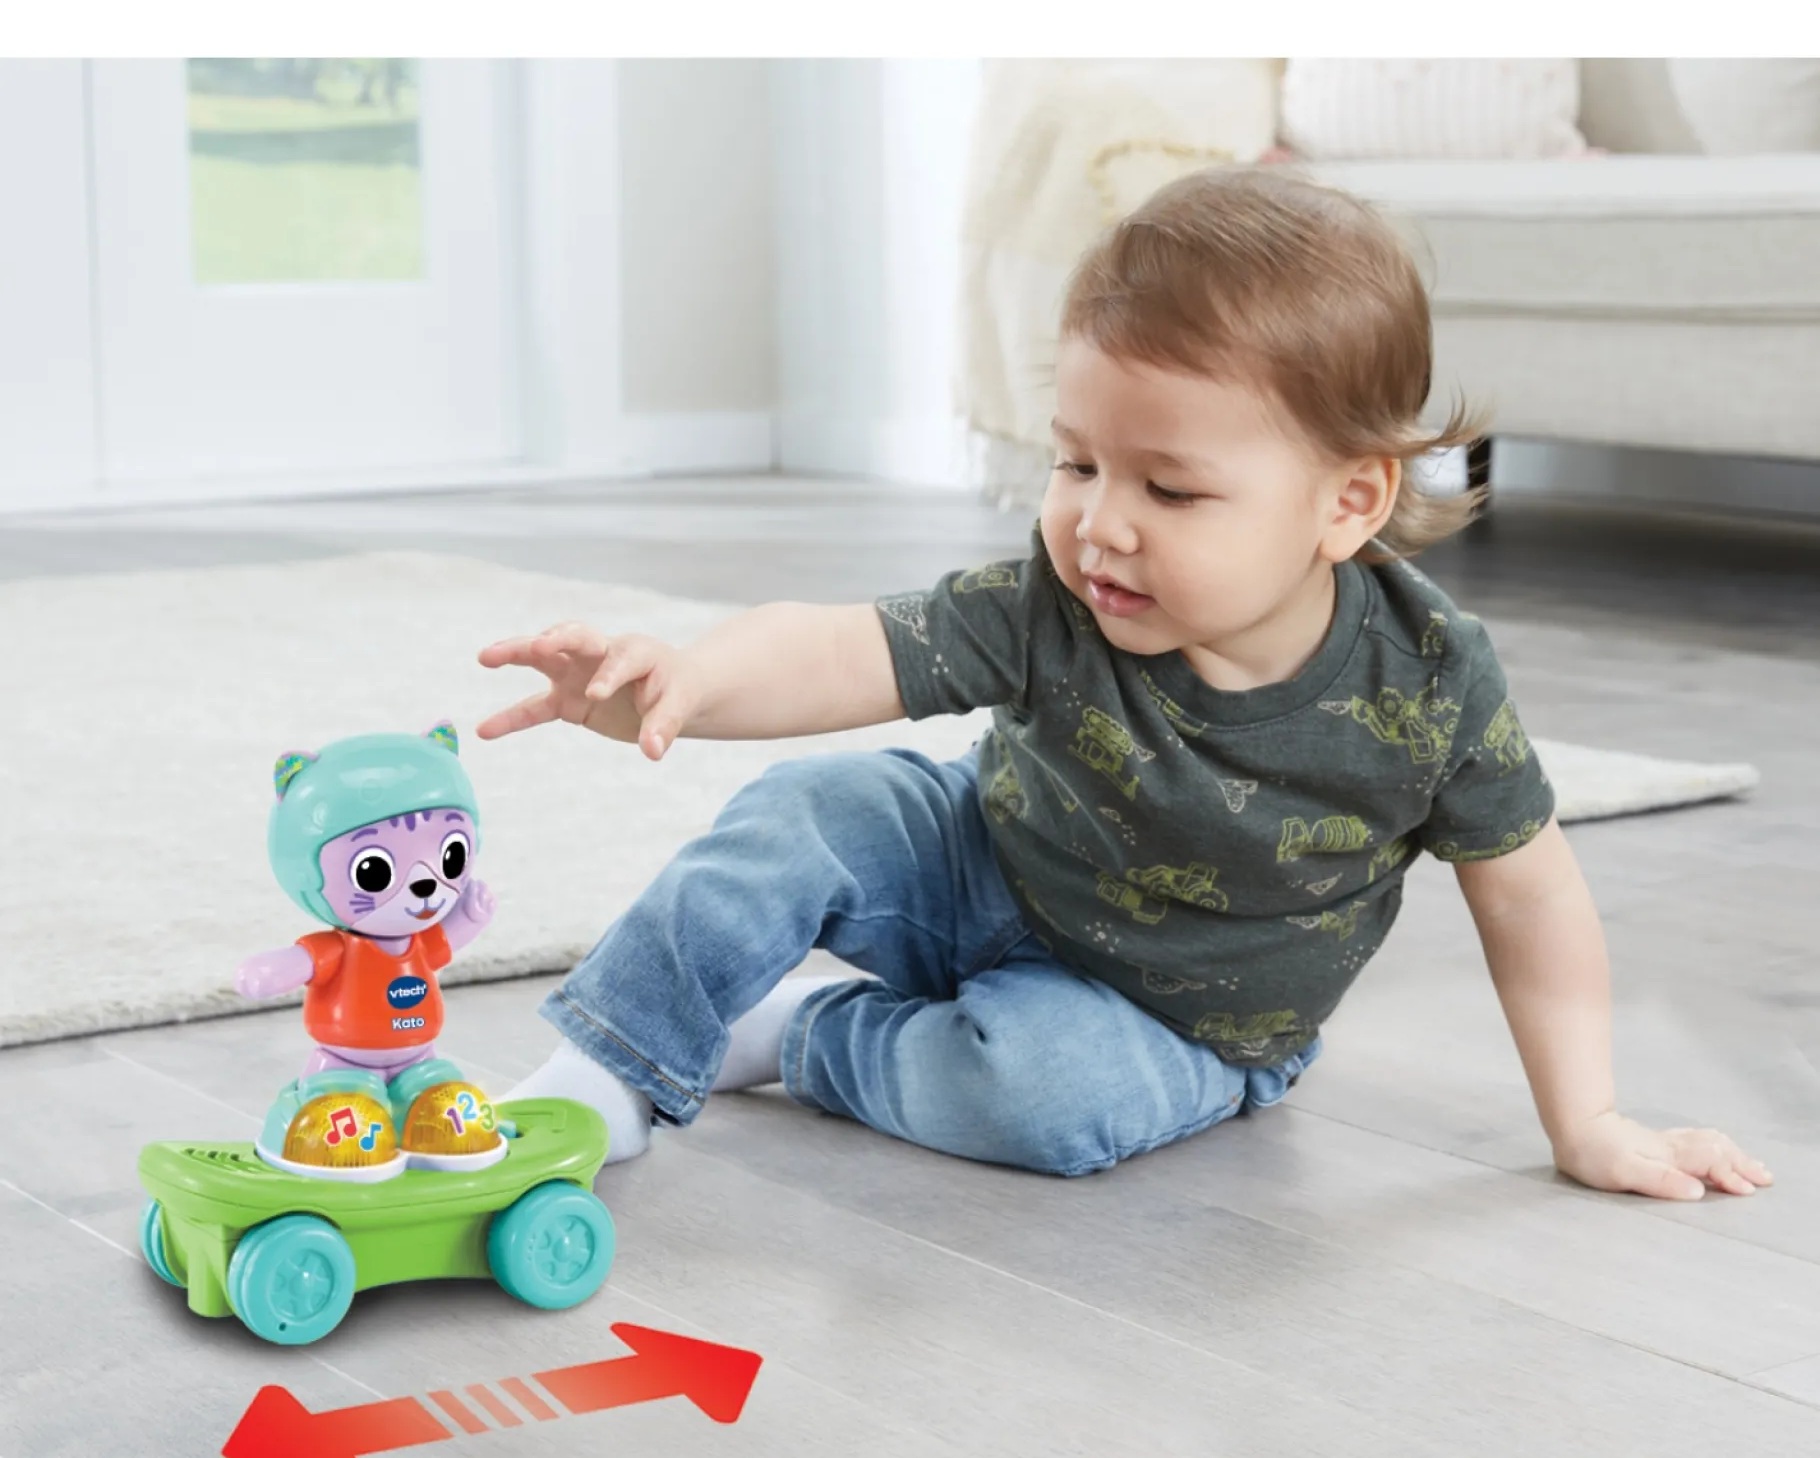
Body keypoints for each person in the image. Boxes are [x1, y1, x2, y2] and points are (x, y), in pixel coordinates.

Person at [479, 165, 1769, 1203]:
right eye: (1077, 463)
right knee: (807, 810)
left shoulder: (1431, 687)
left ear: (1347, 502)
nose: (1100, 523)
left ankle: (805, 1037)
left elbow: (1532, 900)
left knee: (1048, 1104)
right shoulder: (1059, 601)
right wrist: (688, 680)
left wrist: (1588, 1118)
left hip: (1172, 1023)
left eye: (1170, 488)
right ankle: (611, 1070)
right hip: (985, 862)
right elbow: (841, 648)